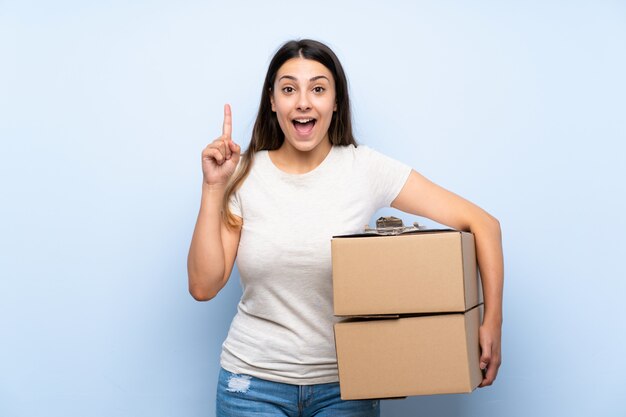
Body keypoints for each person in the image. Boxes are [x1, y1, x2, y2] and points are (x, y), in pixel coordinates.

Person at [187, 39, 503, 417]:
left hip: (347, 387)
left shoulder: (364, 170)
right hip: (251, 386)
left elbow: (484, 224)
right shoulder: (244, 175)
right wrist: (213, 187)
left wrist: (491, 323)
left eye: (318, 89)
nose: (303, 102)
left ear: (335, 102)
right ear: (272, 101)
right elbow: (203, 286)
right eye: (289, 89)